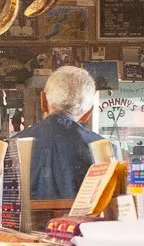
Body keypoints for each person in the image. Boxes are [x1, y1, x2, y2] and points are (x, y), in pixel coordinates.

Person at [14, 65, 107, 201]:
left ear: (43, 101)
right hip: (80, 223)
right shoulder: (103, 149)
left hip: (28, 222)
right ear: (88, 112)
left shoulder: (12, 146)